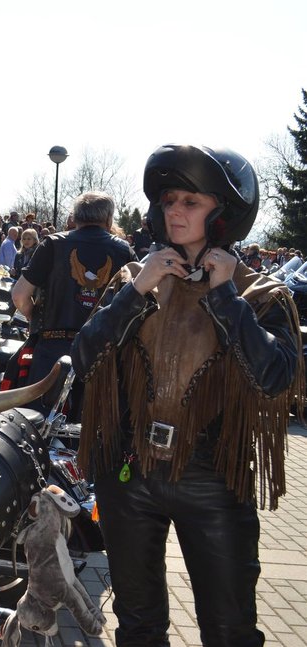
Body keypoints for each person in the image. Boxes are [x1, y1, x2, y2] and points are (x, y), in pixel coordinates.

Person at [74, 144, 303, 647]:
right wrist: (136, 293)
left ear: (224, 212)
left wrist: (224, 295)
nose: (175, 211)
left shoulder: (259, 292)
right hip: (128, 475)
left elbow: (277, 378)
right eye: (170, 200)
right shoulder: (137, 278)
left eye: (191, 202)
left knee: (229, 631)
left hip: (213, 481)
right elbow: (85, 356)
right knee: (137, 627)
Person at [11, 191, 135, 404]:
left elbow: (20, 295)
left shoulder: (53, 243)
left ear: (75, 217)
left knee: (37, 427)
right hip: (101, 357)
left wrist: (34, 316)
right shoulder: (123, 251)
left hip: (51, 352)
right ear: (109, 219)